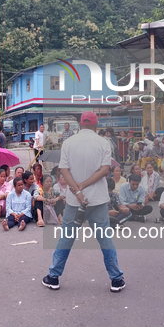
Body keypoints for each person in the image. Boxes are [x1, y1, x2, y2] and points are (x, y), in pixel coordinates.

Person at [43, 111, 125, 293]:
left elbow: (63, 170)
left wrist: (78, 191)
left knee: (66, 238)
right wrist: (85, 185)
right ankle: (116, 279)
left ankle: (54, 276)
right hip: (98, 199)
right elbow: (105, 170)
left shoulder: (69, 142)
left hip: (74, 201)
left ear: (80, 125)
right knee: (104, 239)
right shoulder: (103, 143)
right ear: (96, 126)